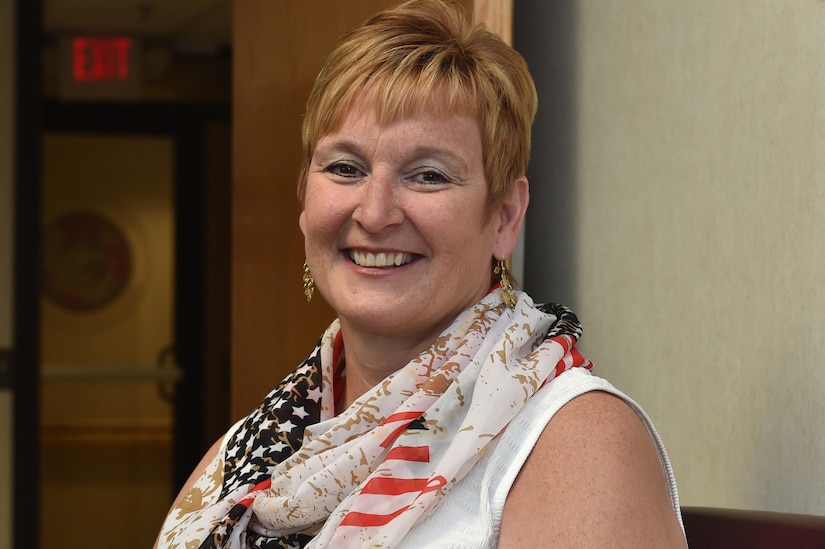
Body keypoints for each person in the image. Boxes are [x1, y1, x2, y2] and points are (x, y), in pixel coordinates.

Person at [155, 1, 687, 547]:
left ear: (505, 217)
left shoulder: (576, 442)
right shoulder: (240, 453)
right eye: (345, 168)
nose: (374, 212)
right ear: (304, 201)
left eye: (427, 175)